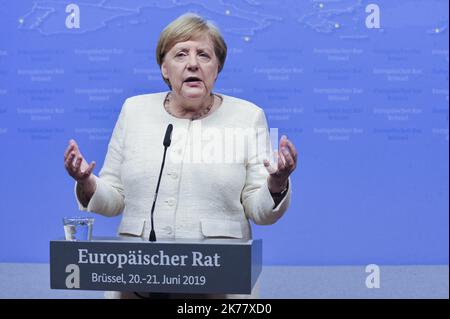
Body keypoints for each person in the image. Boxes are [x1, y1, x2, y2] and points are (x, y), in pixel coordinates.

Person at [63, 13, 297, 299]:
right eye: (181, 54)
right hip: (136, 280)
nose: (193, 63)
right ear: (164, 68)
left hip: (219, 282)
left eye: (204, 55)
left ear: (217, 67)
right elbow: (114, 199)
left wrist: (277, 183)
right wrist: (87, 183)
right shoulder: (134, 111)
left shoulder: (248, 117)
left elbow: (259, 211)